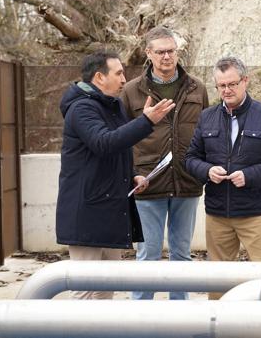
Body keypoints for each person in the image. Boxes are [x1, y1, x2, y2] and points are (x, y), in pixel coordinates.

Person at [56, 50, 175, 300]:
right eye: (119, 73)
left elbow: (116, 151)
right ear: (99, 77)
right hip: (87, 215)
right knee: (86, 291)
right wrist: (146, 121)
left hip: (109, 210)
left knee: (106, 290)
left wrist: (132, 175)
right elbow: (104, 143)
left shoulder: (113, 106)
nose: (124, 79)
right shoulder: (81, 109)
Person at [120, 27, 209, 300]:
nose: (167, 57)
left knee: (182, 254)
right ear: (149, 54)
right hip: (148, 183)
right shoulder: (131, 91)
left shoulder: (197, 87)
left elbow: (207, 133)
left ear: (177, 52)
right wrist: (134, 174)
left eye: (171, 51)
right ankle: (140, 318)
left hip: (186, 182)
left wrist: (202, 170)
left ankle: (178, 316)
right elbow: (121, 138)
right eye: (160, 52)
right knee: (148, 254)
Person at [185, 56, 261, 263]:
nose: (227, 90)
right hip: (217, 215)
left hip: (255, 214)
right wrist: (207, 171)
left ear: (245, 81)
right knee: (218, 280)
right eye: (221, 85)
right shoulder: (207, 117)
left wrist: (249, 175)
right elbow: (190, 158)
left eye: (232, 84)